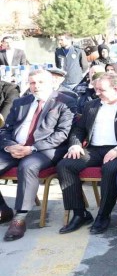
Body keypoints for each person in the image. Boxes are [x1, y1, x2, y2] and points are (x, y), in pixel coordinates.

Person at [56, 73, 117, 234]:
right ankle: (80, 213)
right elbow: (79, 129)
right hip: (94, 149)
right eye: (95, 89)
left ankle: (103, 215)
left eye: (100, 90)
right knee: (65, 165)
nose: (96, 93)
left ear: (116, 89)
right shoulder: (92, 105)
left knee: (110, 169)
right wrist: (75, 145)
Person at [0, 70, 76, 240]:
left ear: (52, 83)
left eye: (40, 82)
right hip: (15, 147)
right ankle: (3, 210)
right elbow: (5, 129)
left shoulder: (65, 102)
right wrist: (10, 146)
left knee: (28, 166)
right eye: (32, 83)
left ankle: (19, 218)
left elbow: (62, 134)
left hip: (45, 150)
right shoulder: (21, 102)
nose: (36, 86)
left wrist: (31, 148)